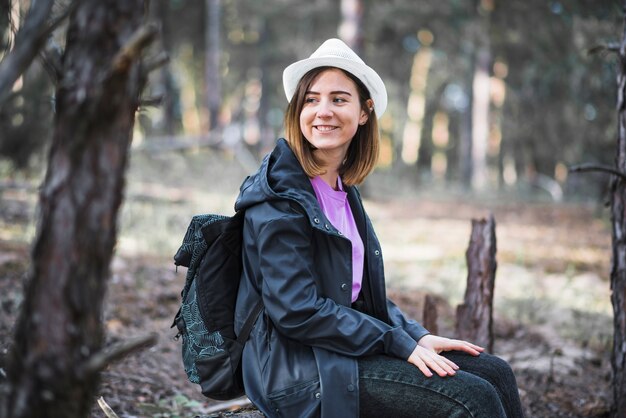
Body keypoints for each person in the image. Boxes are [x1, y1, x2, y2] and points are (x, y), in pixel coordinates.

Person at [234, 38, 524, 418]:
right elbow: (297, 311)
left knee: (495, 373)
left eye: (339, 99)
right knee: (472, 399)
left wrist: (415, 334)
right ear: (298, 110)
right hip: (299, 368)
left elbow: (357, 293)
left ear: (364, 112)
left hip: (338, 348)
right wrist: (396, 342)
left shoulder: (341, 189)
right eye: (311, 99)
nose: (323, 111)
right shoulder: (279, 198)